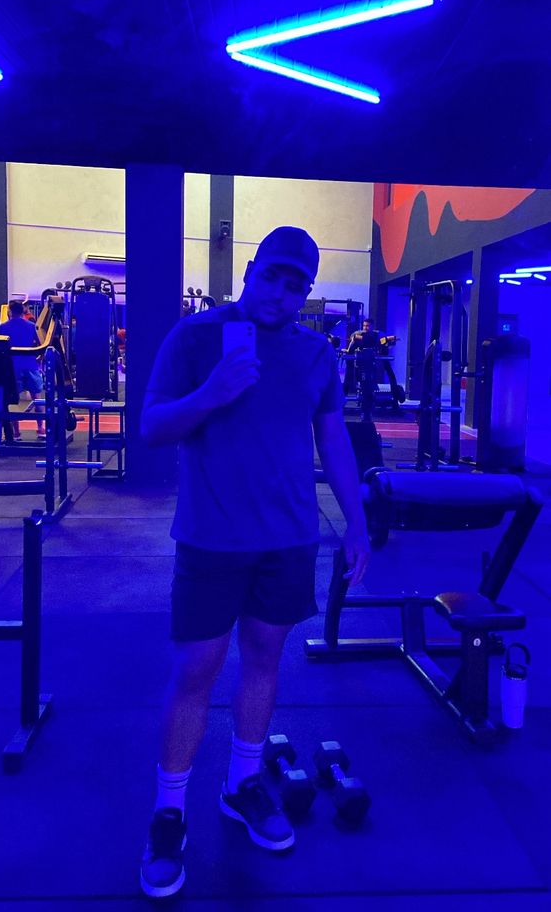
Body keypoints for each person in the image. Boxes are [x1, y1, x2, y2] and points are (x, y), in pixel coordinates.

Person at [139, 226, 370, 899]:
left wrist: (356, 523)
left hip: (288, 540)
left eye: (295, 285)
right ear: (249, 271)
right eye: (271, 276)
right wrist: (212, 392)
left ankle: (241, 784)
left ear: (305, 293)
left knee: (265, 660)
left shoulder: (315, 353)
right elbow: (150, 428)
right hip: (211, 539)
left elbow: (333, 439)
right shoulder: (193, 338)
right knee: (196, 671)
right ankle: (168, 812)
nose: (279, 293)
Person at [0, 299, 45, 439]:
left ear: (10, 311)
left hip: (13, 366)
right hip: (30, 365)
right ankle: (41, 429)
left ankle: (16, 432)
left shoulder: (3, 327)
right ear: (22, 310)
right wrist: (39, 360)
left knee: (14, 400)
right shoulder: (31, 326)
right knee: (37, 397)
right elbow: (41, 345)